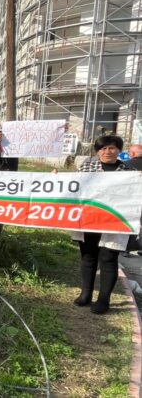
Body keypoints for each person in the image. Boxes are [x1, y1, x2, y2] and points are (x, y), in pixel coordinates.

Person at [73, 135, 132, 314]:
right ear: (97, 151)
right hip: (89, 218)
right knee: (88, 256)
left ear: (119, 151)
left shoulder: (129, 172)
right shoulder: (86, 167)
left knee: (108, 259)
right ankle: (86, 294)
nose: (107, 152)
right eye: (103, 149)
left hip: (115, 220)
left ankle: (104, 299)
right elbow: (73, 187)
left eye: (112, 148)